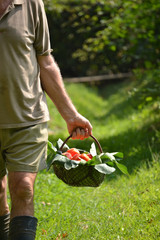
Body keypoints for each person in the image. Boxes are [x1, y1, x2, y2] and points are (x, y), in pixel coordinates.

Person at [0, 0, 92, 239]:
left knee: (23, 188)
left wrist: (71, 115)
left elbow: (45, 61)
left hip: (27, 118)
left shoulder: (31, 4)